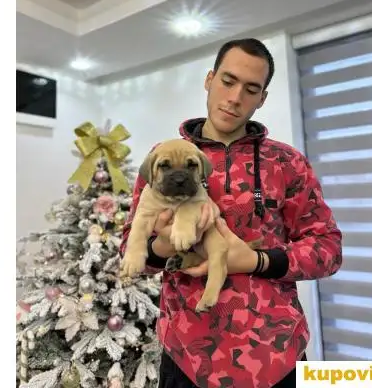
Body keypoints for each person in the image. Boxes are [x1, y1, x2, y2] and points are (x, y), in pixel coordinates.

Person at [120, 38, 343, 388]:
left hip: (276, 353)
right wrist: (163, 245)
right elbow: (129, 249)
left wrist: (258, 261)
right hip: (187, 357)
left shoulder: (287, 162)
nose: (235, 97)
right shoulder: (164, 156)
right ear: (209, 79)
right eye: (228, 81)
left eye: (251, 89)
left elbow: (328, 249)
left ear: (262, 98)